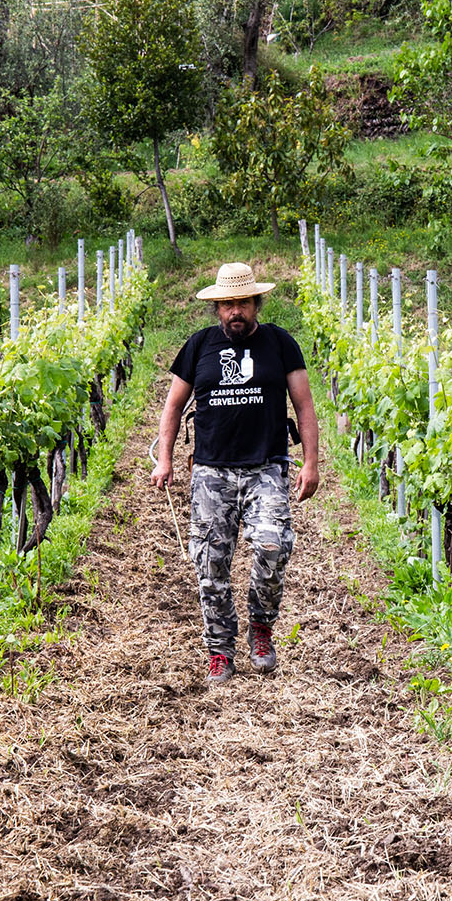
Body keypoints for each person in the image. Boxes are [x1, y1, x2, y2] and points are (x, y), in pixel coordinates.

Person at [151, 262, 320, 684]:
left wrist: (312, 463)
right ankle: (220, 650)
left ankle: (260, 628)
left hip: (267, 467)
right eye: (227, 304)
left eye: (242, 302)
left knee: (273, 545)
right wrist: (165, 458)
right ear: (217, 308)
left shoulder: (280, 344)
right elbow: (173, 406)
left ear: (256, 303)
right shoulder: (199, 346)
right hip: (211, 472)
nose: (235, 311)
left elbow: (304, 405)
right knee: (210, 564)